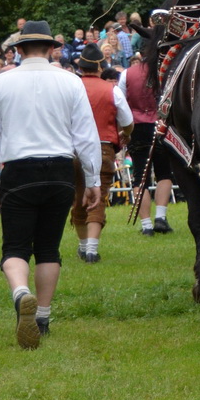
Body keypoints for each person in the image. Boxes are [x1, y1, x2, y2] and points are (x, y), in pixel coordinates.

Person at [0, 20, 101, 349]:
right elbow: (86, 136)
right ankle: (41, 317)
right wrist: (92, 179)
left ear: (18, 50)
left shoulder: (0, 83)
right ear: (51, 49)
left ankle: (21, 294)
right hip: (60, 170)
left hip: (18, 170)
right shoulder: (71, 82)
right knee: (48, 248)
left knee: (15, 247)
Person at [71, 44, 131, 264]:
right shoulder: (111, 89)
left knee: (78, 197)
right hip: (102, 147)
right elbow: (127, 120)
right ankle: (92, 250)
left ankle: (83, 245)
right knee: (98, 197)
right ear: (100, 67)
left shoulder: (70, 87)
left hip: (72, 149)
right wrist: (127, 134)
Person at [119, 47, 172, 234]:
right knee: (164, 172)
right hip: (160, 124)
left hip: (136, 125)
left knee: (140, 176)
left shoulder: (127, 74)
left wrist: (124, 130)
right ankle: (161, 217)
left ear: (140, 54)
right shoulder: (164, 71)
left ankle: (146, 225)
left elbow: (121, 103)